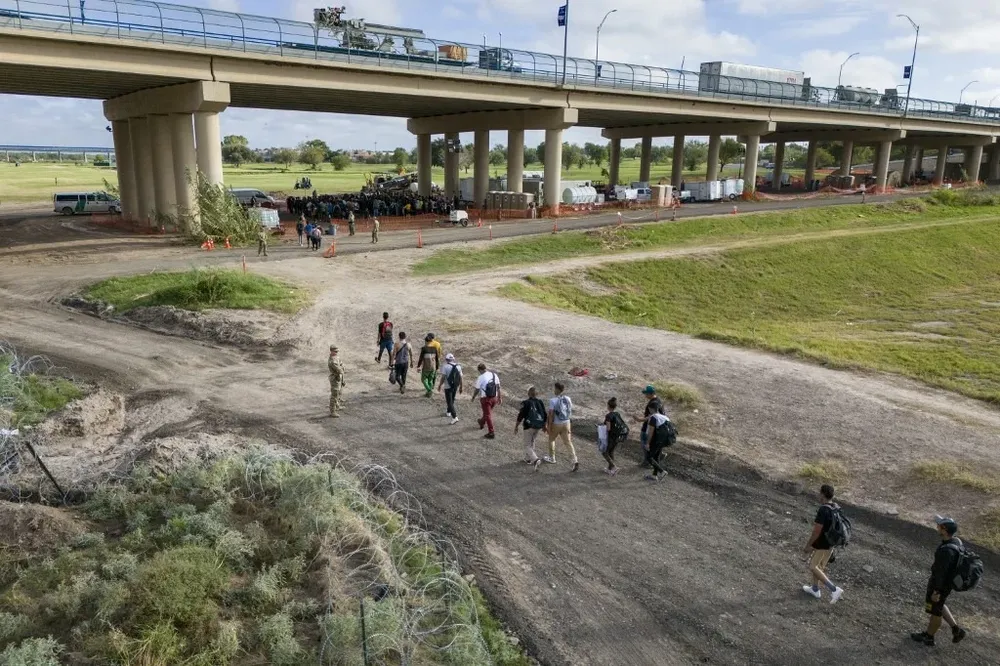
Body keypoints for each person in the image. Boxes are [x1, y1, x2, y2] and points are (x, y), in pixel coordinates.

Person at [911, 516, 969, 646]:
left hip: (940, 585)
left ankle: (929, 637)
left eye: (939, 526)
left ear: (944, 530)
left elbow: (941, 574)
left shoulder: (946, 551)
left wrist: (936, 591)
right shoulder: (956, 541)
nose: (937, 527)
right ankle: (956, 630)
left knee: (935, 611)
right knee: (940, 605)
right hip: (947, 584)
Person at [801, 484, 845, 604]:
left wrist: (808, 545)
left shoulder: (823, 510)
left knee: (813, 566)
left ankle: (834, 589)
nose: (818, 495)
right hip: (831, 543)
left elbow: (817, 531)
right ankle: (815, 589)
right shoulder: (836, 507)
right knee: (819, 567)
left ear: (822, 494)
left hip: (822, 543)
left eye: (819, 493)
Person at [541, 382, 578, 471]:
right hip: (566, 422)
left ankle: (552, 457)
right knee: (568, 442)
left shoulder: (553, 401)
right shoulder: (568, 399)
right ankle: (574, 460)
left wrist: (549, 426)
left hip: (557, 423)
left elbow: (551, 414)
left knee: (551, 439)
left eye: (555, 388)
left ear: (557, 389)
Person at [515, 387, 547, 468]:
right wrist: (544, 425)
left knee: (527, 445)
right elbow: (544, 414)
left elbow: (521, 415)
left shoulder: (526, 403)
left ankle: (535, 459)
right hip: (538, 425)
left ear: (528, 394)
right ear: (537, 394)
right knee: (532, 441)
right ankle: (528, 458)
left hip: (529, 426)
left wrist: (516, 426)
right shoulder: (540, 402)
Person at [635, 385, 664, 468]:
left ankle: (647, 462)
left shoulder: (653, 403)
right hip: (657, 427)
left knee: (645, 443)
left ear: (651, 394)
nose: (645, 395)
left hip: (649, 427)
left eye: (646, 393)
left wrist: (639, 419)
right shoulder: (659, 401)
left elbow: (653, 416)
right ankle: (659, 456)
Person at [471, 363, 501, 439]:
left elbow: (477, 389)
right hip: (494, 397)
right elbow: (498, 387)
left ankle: (491, 432)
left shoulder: (481, 377)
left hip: (486, 399)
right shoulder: (494, 375)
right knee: (487, 412)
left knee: (488, 415)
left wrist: (473, 397)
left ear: (480, 370)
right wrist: (499, 397)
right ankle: (481, 422)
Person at [644, 411, 675, 482]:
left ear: (650, 409)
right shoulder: (665, 417)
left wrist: (648, 443)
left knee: (649, 457)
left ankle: (662, 471)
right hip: (663, 440)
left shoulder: (653, 418)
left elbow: (651, 432)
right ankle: (654, 475)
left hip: (657, 440)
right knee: (656, 457)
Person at [601, 397, 629, 476]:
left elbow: (608, 428)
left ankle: (614, 467)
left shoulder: (608, 416)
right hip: (617, 436)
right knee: (611, 451)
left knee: (604, 452)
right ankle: (610, 469)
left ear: (608, 406)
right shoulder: (617, 414)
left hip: (611, 437)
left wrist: (601, 429)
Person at [438, 353, 462, 424]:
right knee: (452, 399)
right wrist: (461, 387)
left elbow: (443, 378)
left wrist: (439, 385)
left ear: (446, 360)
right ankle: (448, 412)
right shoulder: (458, 366)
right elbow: (460, 378)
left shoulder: (445, 367)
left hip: (448, 386)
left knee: (449, 402)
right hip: (455, 386)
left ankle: (454, 417)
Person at [327, 345, 345, 417]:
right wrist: (342, 367)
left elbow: (342, 365)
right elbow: (339, 369)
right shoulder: (332, 360)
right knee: (334, 395)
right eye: (335, 351)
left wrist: (342, 367)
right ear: (331, 351)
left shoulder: (336, 357)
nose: (337, 352)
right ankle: (332, 411)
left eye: (337, 351)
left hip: (339, 377)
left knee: (339, 393)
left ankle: (337, 406)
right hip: (335, 378)